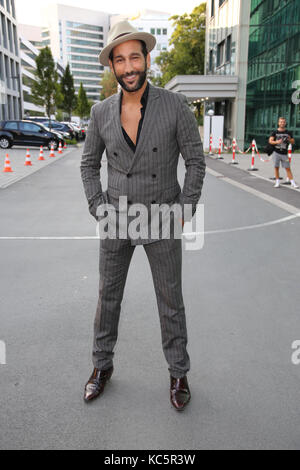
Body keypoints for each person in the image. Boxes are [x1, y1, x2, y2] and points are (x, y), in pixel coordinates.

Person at [80, 20, 206, 411]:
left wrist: (184, 210)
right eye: (121, 60)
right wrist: (98, 207)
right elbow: (88, 165)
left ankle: (178, 373)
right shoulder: (101, 111)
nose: (129, 66)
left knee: (170, 300)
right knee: (108, 298)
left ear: (147, 58)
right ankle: (102, 367)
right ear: (113, 67)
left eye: (135, 56)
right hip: (117, 218)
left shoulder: (174, 105)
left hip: (163, 216)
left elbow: (196, 161)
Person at [269, 117, 299, 188]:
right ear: (278, 123)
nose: (282, 123)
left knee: (288, 168)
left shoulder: (288, 132)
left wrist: (289, 139)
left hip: (284, 153)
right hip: (276, 152)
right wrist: (277, 142)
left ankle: (293, 183)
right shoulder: (275, 132)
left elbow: (293, 141)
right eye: (281, 122)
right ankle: (277, 182)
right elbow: (270, 141)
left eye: (283, 122)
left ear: (285, 123)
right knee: (276, 167)